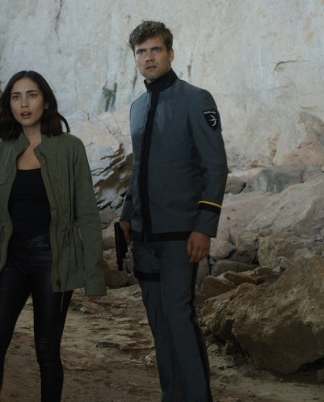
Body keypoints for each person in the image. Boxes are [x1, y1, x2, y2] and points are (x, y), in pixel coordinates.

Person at [0, 70, 106, 402]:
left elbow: (87, 214)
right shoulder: (3, 151)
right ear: (9, 105)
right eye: (16, 97)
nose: (24, 104)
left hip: (53, 257)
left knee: (46, 349)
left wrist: (93, 275)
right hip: (11, 258)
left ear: (45, 101)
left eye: (31, 95)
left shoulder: (69, 148)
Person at [118, 21, 228, 401]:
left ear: (170, 53)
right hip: (143, 236)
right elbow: (139, 167)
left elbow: (215, 167)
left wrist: (204, 226)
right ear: (135, 58)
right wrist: (126, 214)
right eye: (141, 52)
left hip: (181, 235)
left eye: (155, 50)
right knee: (158, 322)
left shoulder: (196, 99)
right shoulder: (137, 108)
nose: (148, 57)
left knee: (179, 318)